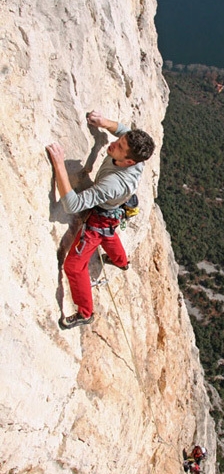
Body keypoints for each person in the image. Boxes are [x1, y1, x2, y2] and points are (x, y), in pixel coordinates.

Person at [46, 110, 155, 330]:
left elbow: (73, 205)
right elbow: (123, 130)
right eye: (119, 141)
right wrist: (103, 123)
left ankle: (86, 313)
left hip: (102, 217)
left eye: (120, 148)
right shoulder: (136, 158)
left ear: (128, 161)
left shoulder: (113, 184)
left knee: (74, 267)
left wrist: (59, 165)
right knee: (110, 233)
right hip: (114, 211)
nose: (114, 144)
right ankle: (121, 262)